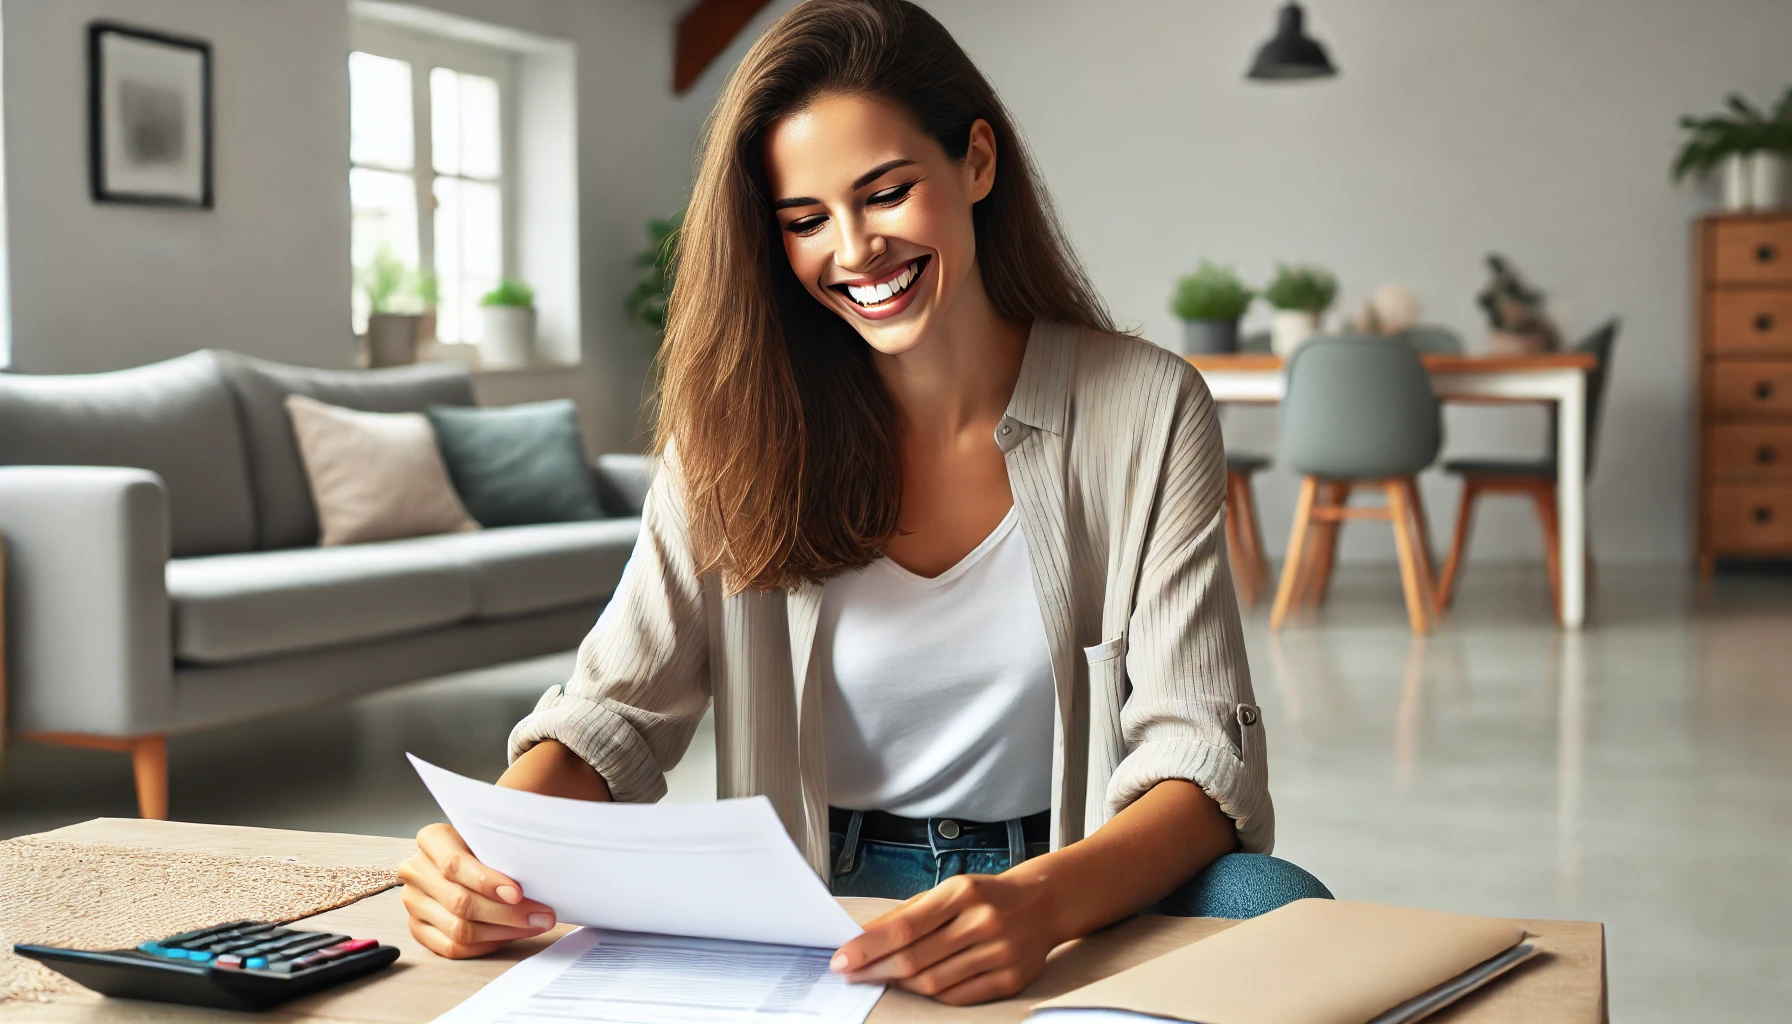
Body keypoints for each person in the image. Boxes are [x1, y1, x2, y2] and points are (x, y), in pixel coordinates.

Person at [398, 0, 1329, 1005]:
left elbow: (1197, 755)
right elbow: (610, 714)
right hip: (812, 906)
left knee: (1272, 899)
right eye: (804, 220)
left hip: (1065, 878)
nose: (854, 251)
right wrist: (484, 854)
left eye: (885, 194)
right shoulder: (730, 431)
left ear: (975, 163)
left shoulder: (1146, 406)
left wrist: (1041, 905)